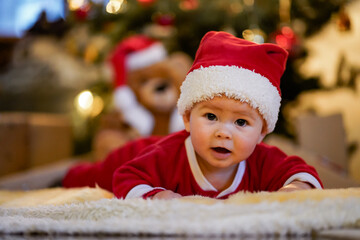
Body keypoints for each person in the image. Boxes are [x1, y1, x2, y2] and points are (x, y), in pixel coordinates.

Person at [63, 31, 323, 199]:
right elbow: (126, 176)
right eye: (210, 117)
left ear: (262, 133)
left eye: (241, 122)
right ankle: (66, 174)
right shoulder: (165, 156)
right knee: (93, 176)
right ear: (187, 117)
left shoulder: (263, 160)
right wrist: (155, 196)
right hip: (139, 151)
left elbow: (302, 173)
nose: (223, 132)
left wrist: (296, 190)